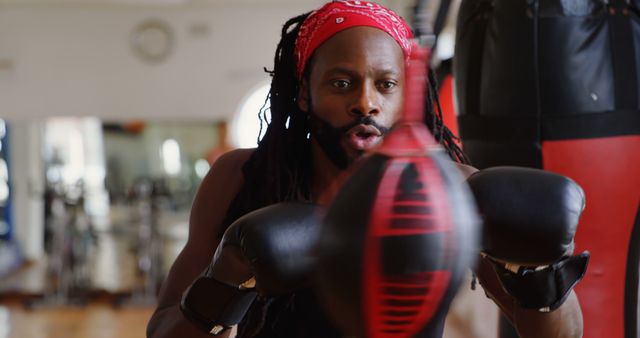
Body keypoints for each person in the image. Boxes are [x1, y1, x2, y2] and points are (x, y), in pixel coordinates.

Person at [146, 1, 585, 337]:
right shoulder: (241, 179)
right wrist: (226, 281)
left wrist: (541, 274)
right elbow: (163, 329)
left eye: (385, 84)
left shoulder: (451, 189)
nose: (366, 102)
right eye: (341, 83)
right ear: (304, 94)